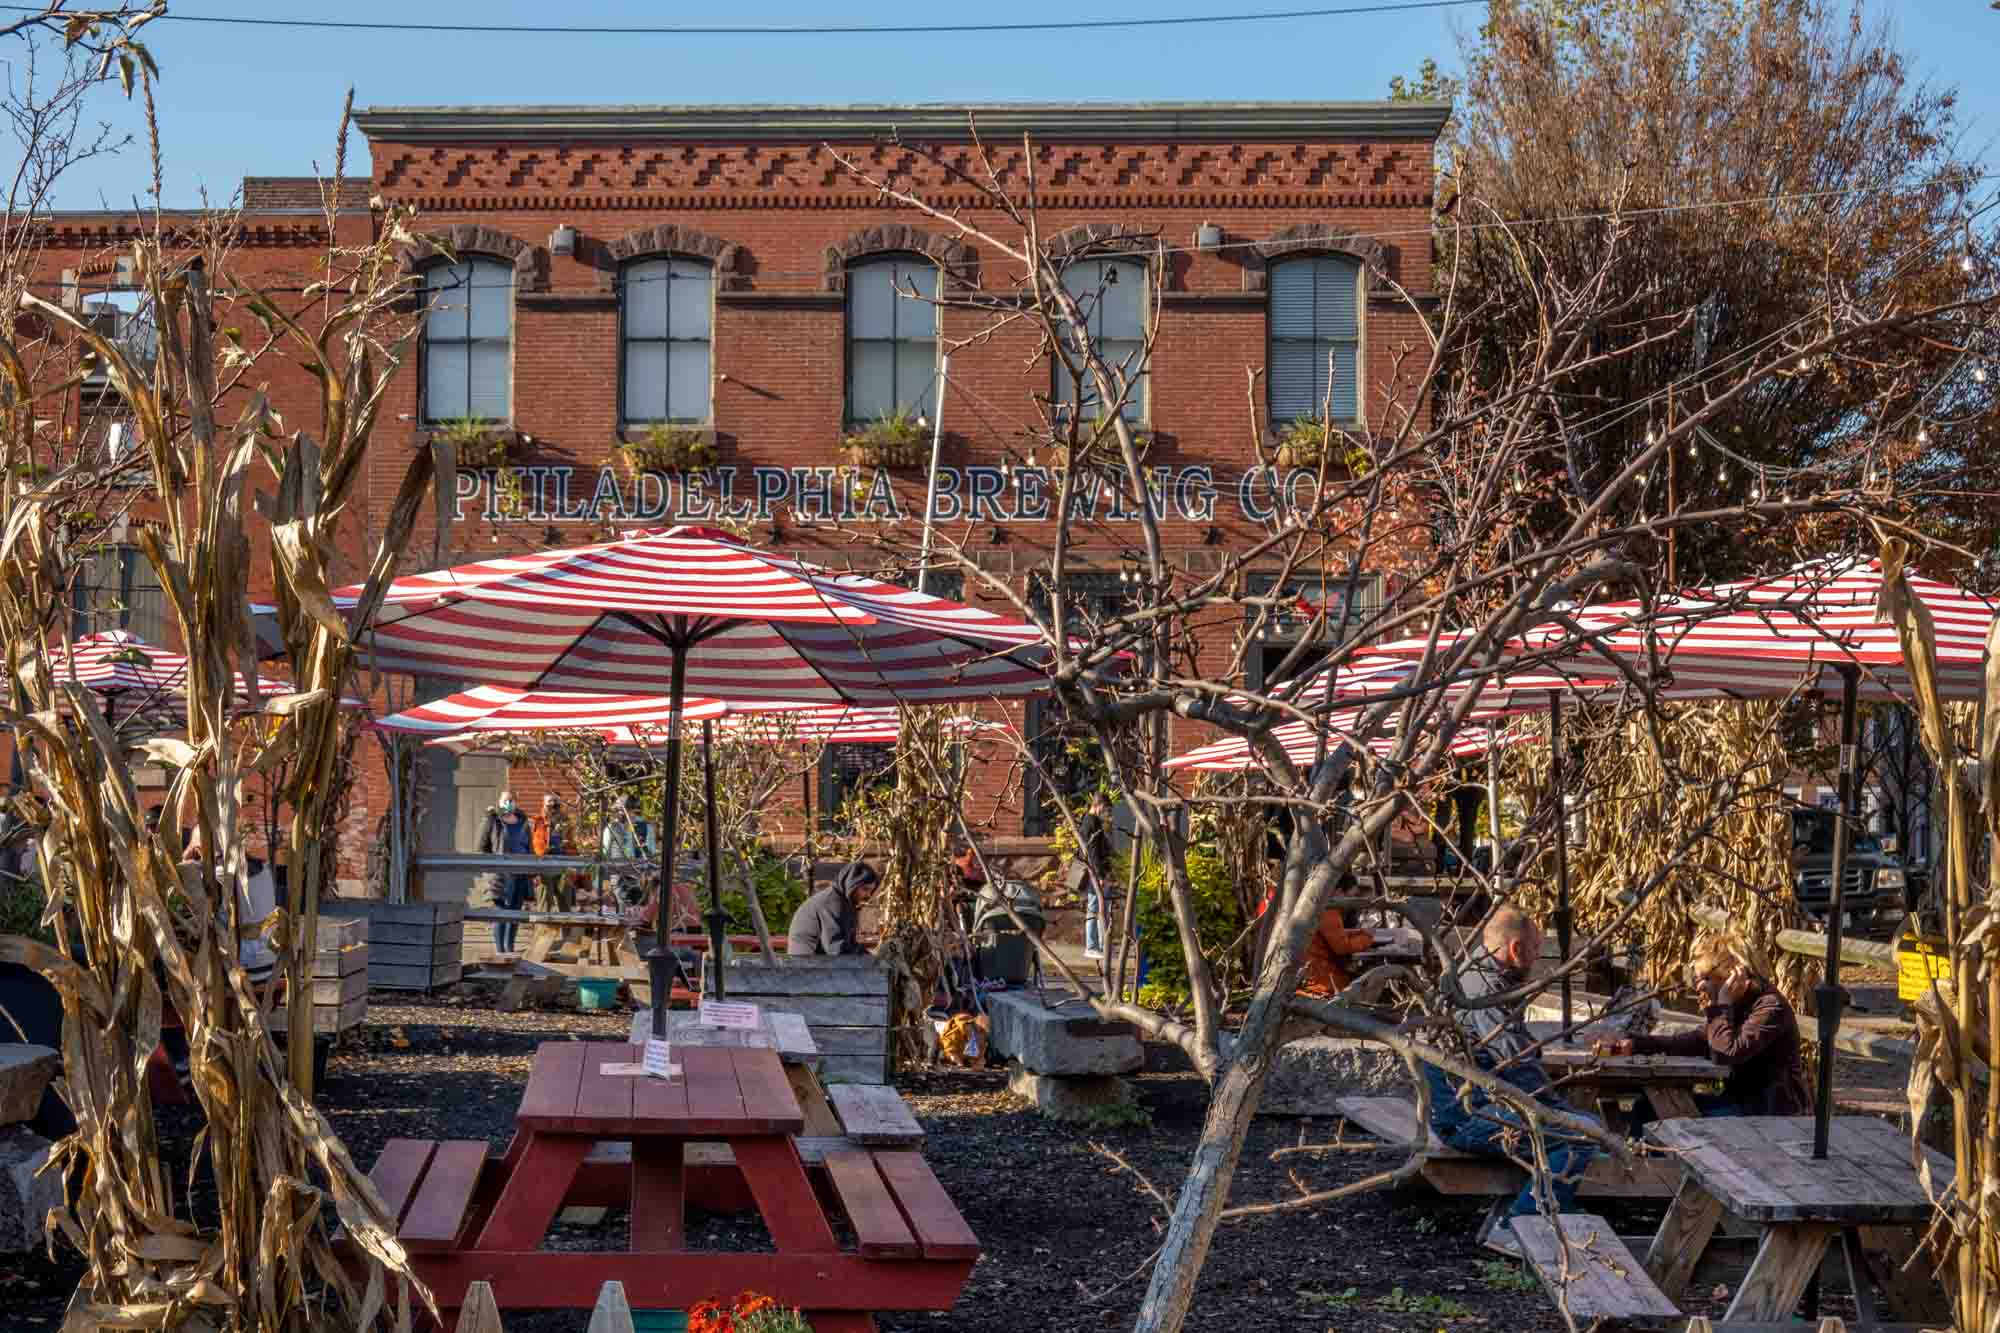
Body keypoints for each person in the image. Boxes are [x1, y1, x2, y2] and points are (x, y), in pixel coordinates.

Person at [1422, 905, 1602, 1248]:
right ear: (1517, 949)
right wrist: (1557, 1109)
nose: (1537, 959)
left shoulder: (1472, 972)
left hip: (1466, 1106)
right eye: (1536, 950)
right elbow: (1515, 1065)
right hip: (1467, 1116)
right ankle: (1517, 1228)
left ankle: (1556, 1205)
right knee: (1578, 1139)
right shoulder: (1486, 992)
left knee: (1585, 1125)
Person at [1597, 936, 1810, 1127]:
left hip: (1768, 1113)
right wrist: (1637, 1044)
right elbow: (1700, 1040)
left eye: (1707, 978)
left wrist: (1721, 1005)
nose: (1699, 986)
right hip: (1740, 1102)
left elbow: (1725, 1054)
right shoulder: (1739, 1003)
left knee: (1670, 1120)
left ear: (1731, 975)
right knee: (1646, 1109)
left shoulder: (1769, 1007)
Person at [1301, 874, 1378, 996]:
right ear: (1339, 892)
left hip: (1311, 974)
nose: (1352, 902)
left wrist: (1358, 932)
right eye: (1351, 896)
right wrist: (1368, 938)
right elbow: (1342, 947)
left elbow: (1331, 934)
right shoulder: (1329, 911)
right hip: (1322, 981)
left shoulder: (1318, 905)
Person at [478, 793, 535, 953]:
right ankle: (500, 951)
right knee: (501, 912)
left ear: (516, 803)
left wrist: (531, 870)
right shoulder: (493, 820)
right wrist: (493, 866)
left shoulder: (523, 822)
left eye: (511, 800)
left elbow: (529, 847)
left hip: (520, 873)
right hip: (500, 875)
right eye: (505, 801)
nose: (508, 803)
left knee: (515, 913)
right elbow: (482, 847)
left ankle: (510, 948)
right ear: (500, 802)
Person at [787, 858, 878, 957]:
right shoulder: (831, 903)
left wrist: (871, 958)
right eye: (865, 889)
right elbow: (835, 948)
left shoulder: (845, 902)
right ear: (852, 885)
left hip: (819, 961)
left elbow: (849, 945)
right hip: (805, 964)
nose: (868, 895)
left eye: (871, 891)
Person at [1075, 792, 1113, 960]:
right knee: (1094, 907)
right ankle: (1092, 946)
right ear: (1098, 805)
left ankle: (1098, 945)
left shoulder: (1090, 821)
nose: (1106, 812)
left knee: (1099, 907)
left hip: (1096, 871)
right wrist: (1099, 875)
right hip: (1095, 872)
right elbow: (1092, 852)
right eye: (1105, 809)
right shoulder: (1091, 822)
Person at [531, 793, 570, 909]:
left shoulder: (566, 821)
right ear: (543, 804)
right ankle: (543, 926)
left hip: (563, 865)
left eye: (555, 802)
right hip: (545, 865)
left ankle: (565, 926)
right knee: (544, 901)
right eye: (549, 801)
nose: (552, 804)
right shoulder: (538, 821)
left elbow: (573, 843)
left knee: (565, 901)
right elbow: (533, 843)